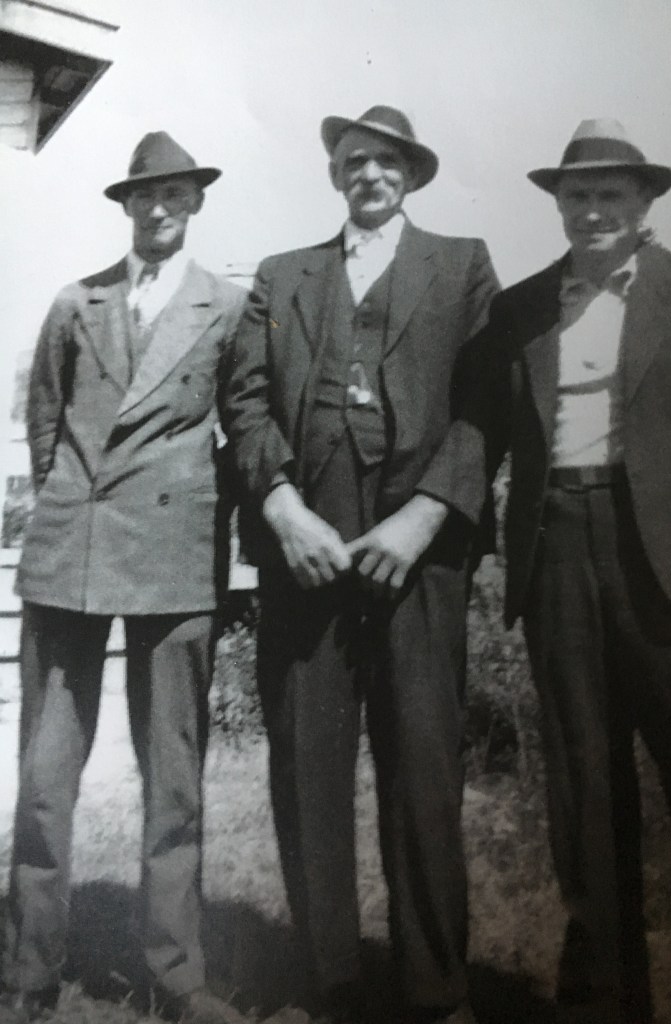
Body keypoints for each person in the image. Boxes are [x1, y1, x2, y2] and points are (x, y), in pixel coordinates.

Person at [421, 119, 671, 1024]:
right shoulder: (523, 308)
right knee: (586, 799)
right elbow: (488, 430)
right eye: (577, 194)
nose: (593, 209)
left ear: (645, 201)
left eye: (612, 193)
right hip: (559, 556)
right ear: (558, 204)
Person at [228, 106, 498, 1024]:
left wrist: (425, 517)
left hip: (417, 559)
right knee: (309, 771)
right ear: (335, 175)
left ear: (411, 174)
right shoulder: (282, 275)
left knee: (423, 771)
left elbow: (487, 404)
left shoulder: (461, 265)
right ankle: (328, 986)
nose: (369, 174)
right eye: (353, 161)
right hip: (306, 551)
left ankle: (437, 991)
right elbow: (245, 402)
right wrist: (281, 507)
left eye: (386, 161)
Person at [2, 132, 260, 1024]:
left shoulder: (229, 307)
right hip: (70, 553)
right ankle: (30, 971)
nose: (159, 209)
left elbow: (242, 423)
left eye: (175, 195)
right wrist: (74, 502)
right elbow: (44, 422)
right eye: (145, 196)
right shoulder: (78, 301)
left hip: (174, 556)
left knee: (174, 776)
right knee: (45, 776)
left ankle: (176, 975)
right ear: (126, 206)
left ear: (196, 204)